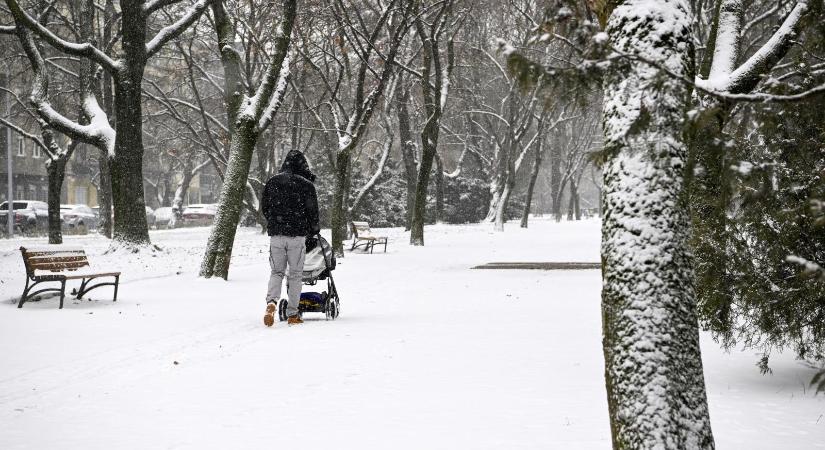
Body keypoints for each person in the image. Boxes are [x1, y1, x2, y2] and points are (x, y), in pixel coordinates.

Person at [261, 150, 320, 326]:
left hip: (277, 236)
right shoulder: (306, 184)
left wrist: (276, 222)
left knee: (276, 272)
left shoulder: (272, 182)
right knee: (295, 275)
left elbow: (265, 207)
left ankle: (271, 303)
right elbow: (313, 212)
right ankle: (293, 314)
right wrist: (313, 230)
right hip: (297, 236)